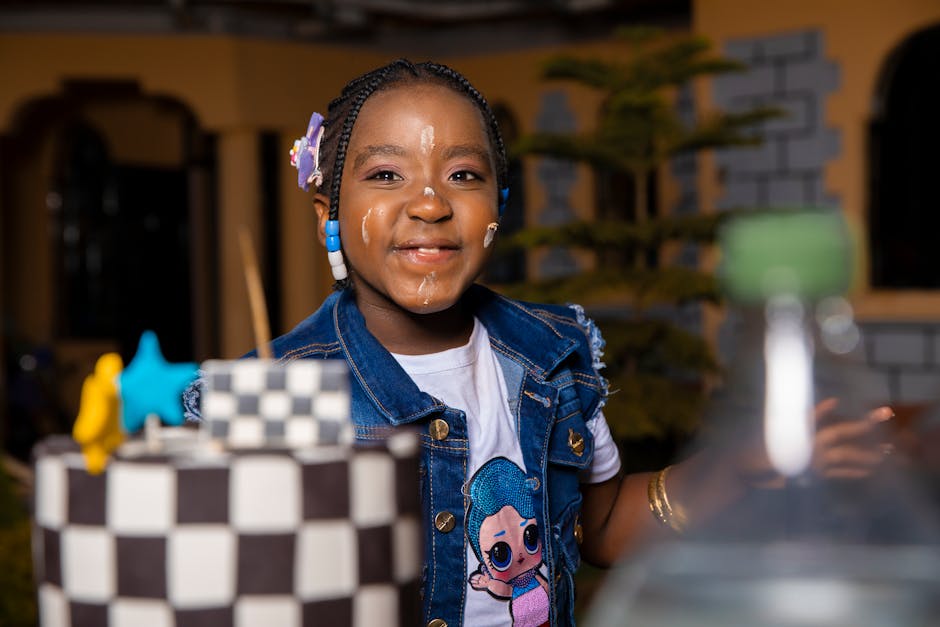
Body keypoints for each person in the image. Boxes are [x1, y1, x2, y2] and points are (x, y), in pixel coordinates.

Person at [190, 58, 893, 626]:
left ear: (498, 205)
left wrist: (740, 466)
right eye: (385, 174)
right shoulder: (271, 393)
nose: (430, 202)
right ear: (329, 215)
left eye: (463, 174)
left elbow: (602, 522)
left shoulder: (552, 355)